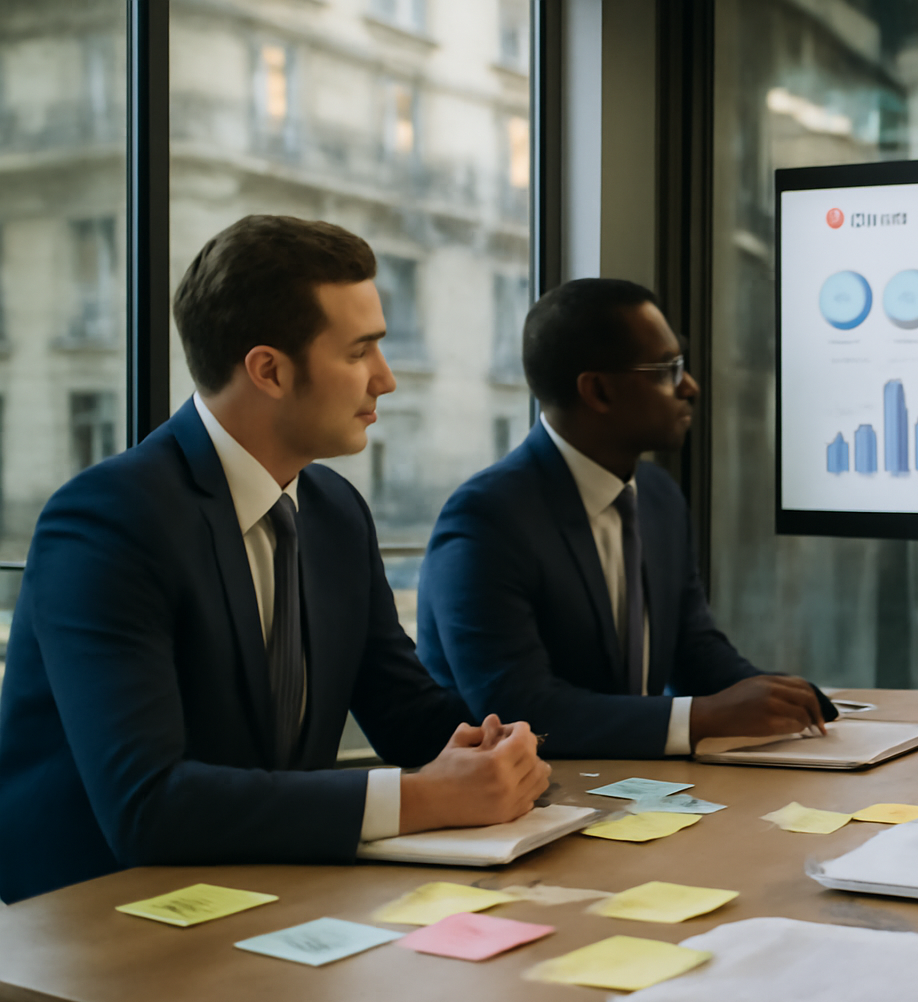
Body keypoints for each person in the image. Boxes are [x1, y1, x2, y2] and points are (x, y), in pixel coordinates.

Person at [0, 215, 549, 905]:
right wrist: (419, 799)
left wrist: (492, 752)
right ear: (268, 370)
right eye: (360, 352)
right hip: (100, 924)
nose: (386, 379)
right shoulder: (109, 520)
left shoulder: (335, 511)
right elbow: (148, 806)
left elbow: (401, 706)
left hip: (274, 894)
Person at [416, 278, 827, 759]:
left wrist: (785, 698)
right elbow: (520, 709)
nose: (689, 386)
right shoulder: (488, 519)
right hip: (519, 805)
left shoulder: (657, 496)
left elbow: (694, 649)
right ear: (599, 390)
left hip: (631, 788)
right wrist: (702, 717)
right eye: (668, 370)